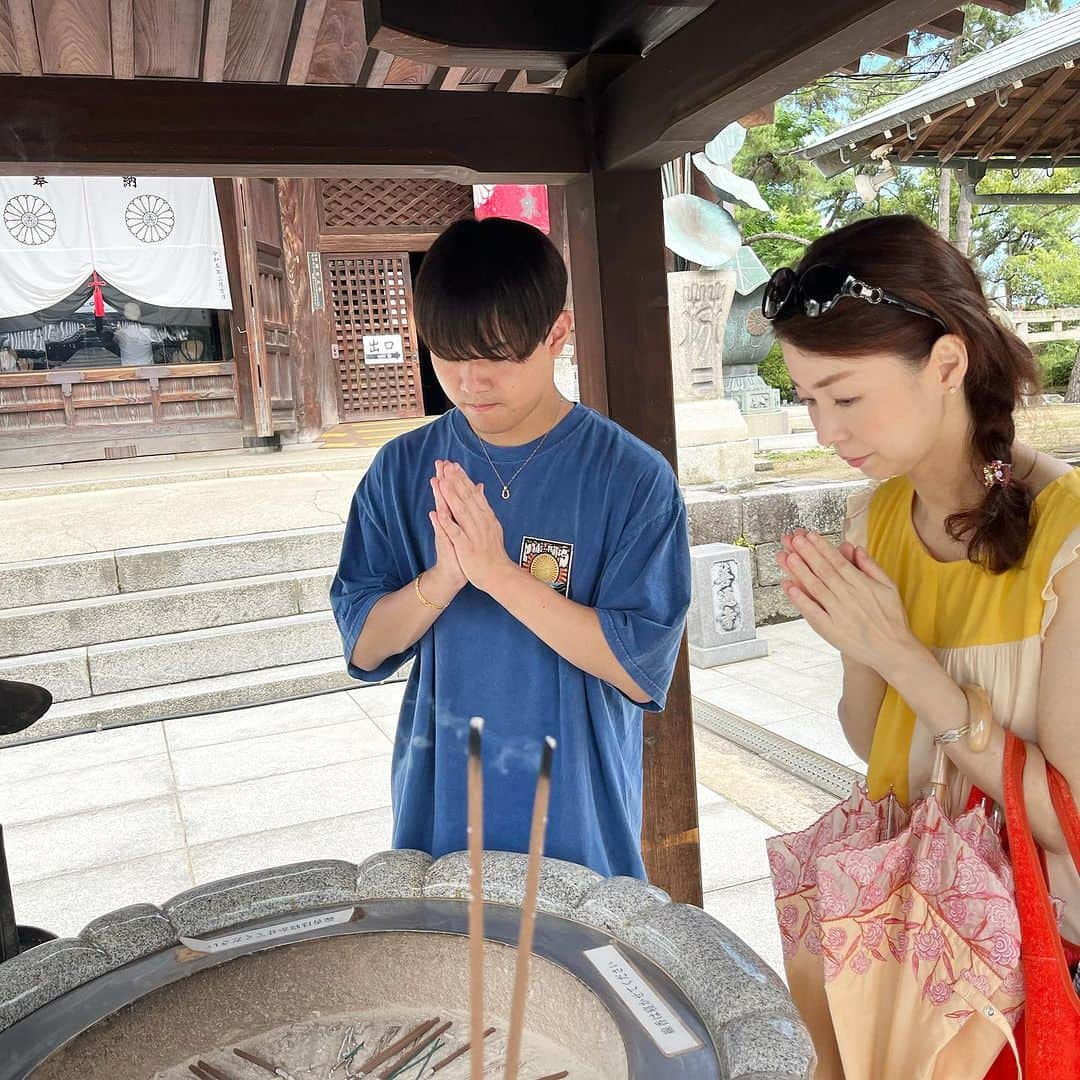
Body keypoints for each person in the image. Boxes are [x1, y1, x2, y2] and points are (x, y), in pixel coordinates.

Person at [762, 213, 1080, 1073]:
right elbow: (879, 746)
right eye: (811, 401)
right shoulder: (879, 518)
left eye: (846, 396)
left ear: (947, 362)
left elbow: (1066, 815)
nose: (827, 431)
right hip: (906, 943)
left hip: (1019, 970)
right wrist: (857, 641)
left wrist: (900, 652)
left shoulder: (1070, 543)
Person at [330, 217, 691, 879]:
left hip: (578, 808)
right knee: (445, 971)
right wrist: (443, 579)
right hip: (441, 808)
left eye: (496, 355)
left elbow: (636, 666)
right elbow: (365, 647)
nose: (470, 382)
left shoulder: (630, 478)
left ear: (558, 333)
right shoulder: (403, 469)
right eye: (448, 354)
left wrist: (497, 574)